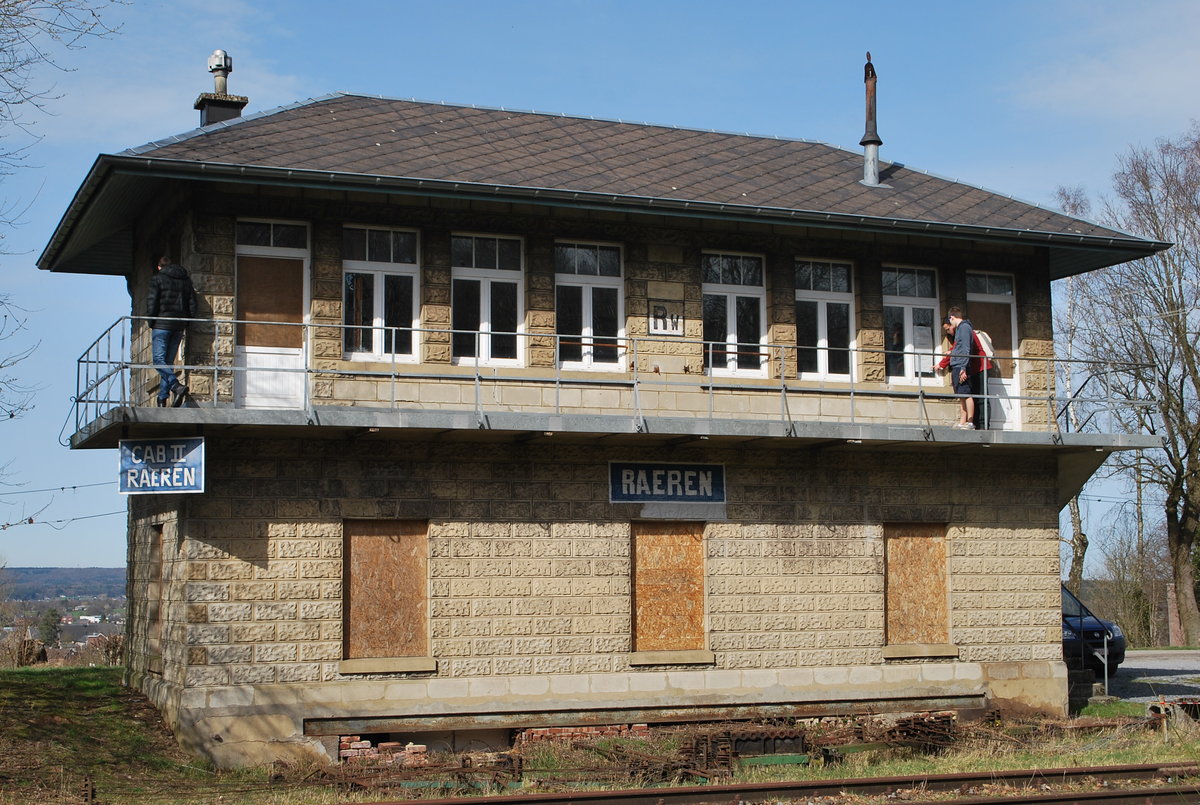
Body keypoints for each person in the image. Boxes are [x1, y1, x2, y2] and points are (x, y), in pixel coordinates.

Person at [147, 256, 197, 407]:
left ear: (159, 267)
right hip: (178, 326)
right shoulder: (186, 280)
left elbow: (152, 302)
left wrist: (151, 322)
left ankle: (176, 386)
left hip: (161, 325)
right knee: (167, 362)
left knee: (158, 361)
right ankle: (163, 398)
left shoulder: (157, 279)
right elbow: (193, 304)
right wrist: (187, 321)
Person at [936, 317, 994, 429]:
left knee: (981, 396)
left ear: (952, 324)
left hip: (980, 366)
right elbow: (956, 350)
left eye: (948, 329)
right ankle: (973, 422)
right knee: (973, 395)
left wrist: (943, 364)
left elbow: (963, 350)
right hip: (971, 367)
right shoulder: (961, 332)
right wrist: (943, 363)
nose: (948, 332)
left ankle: (983, 425)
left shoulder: (963, 331)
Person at [946, 306, 976, 429]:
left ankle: (970, 421)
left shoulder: (964, 328)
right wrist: (952, 354)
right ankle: (962, 422)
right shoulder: (961, 328)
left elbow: (965, 349)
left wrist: (963, 367)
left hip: (961, 365)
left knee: (966, 393)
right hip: (958, 364)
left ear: (952, 317)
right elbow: (960, 348)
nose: (951, 324)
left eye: (950, 320)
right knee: (961, 394)